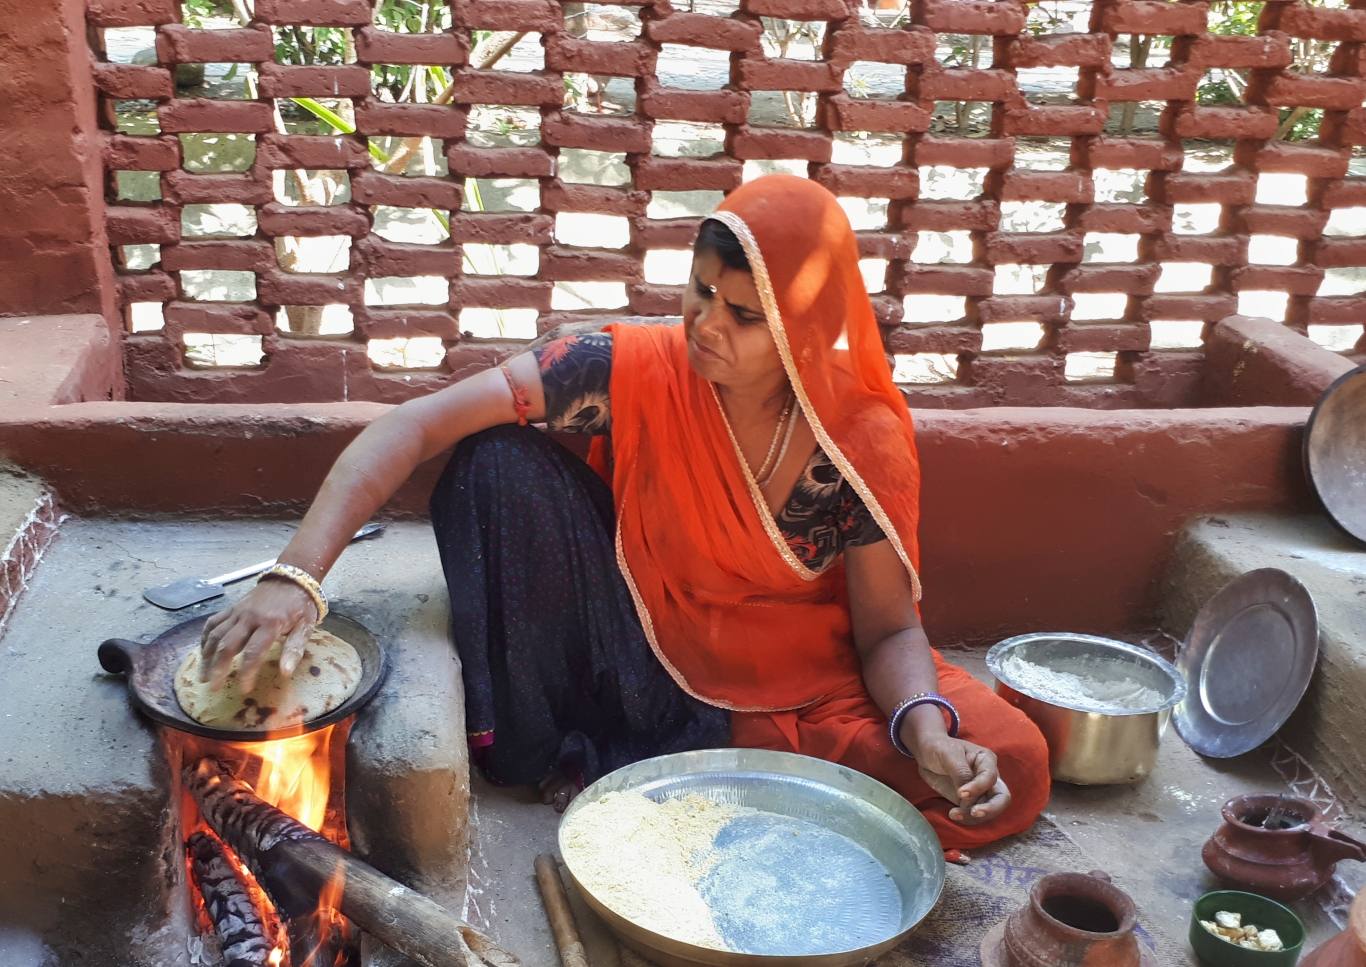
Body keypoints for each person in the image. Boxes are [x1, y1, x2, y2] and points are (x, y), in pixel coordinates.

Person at [199, 175, 1050, 850]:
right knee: (492, 463)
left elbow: (889, 635)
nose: (704, 325)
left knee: (1008, 760)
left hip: (777, 691)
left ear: (805, 327)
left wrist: (927, 733)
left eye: (745, 316)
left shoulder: (859, 438)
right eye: (700, 292)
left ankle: (647, 763)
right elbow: (414, 423)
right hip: (633, 641)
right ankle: (582, 750)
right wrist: (296, 576)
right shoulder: (621, 367)